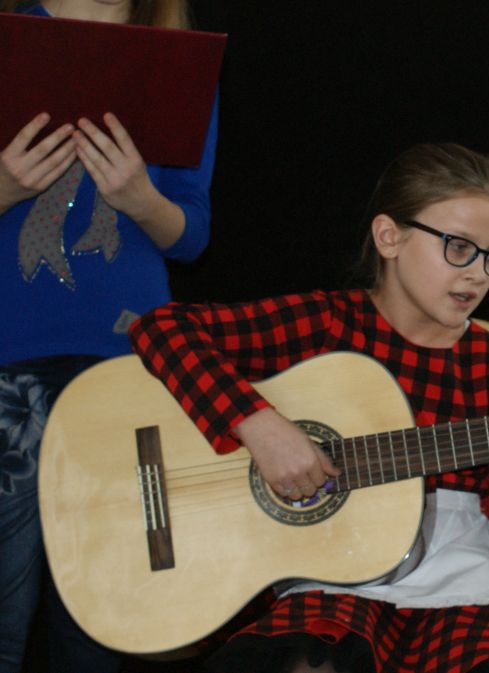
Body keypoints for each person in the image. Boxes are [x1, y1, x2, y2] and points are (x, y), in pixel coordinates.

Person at [128, 142, 489, 673]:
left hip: (464, 592)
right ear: (389, 237)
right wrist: (259, 427)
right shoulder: (326, 325)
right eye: (459, 248)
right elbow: (162, 329)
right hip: (333, 585)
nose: (478, 274)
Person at [0, 1, 218, 671]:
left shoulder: (176, 55)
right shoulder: (10, 41)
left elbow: (192, 233)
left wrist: (139, 199)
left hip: (132, 362)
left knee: (98, 616)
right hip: (9, 355)